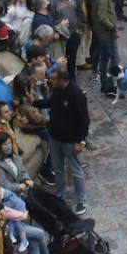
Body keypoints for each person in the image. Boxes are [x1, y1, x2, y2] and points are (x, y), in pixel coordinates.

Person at [47, 65, 90, 215]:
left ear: (62, 80)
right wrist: (33, 103)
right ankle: (60, 196)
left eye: (53, 79)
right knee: (58, 169)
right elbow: (51, 103)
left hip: (70, 141)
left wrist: (80, 141)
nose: (50, 81)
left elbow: (84, 120)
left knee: (76, 170)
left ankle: (81, 200)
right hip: (54, 137)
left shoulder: (76, 95)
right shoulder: (56, 90)